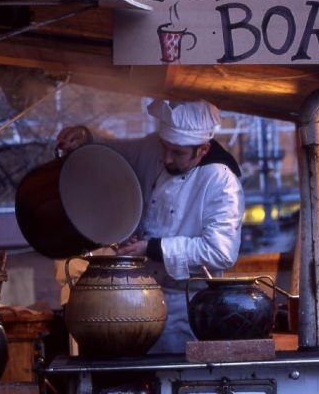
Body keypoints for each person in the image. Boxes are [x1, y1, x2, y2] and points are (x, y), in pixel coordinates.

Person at [56, 99, 245, 354]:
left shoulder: (221, 181)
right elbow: (115, 151)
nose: (166, 157)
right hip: (135, 299)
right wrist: (86, 137)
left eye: (177, 152)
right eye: (165, 147)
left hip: (185, 306)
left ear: (203, 149)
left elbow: (220, 252)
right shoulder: (152, 149)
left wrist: (151, 248)